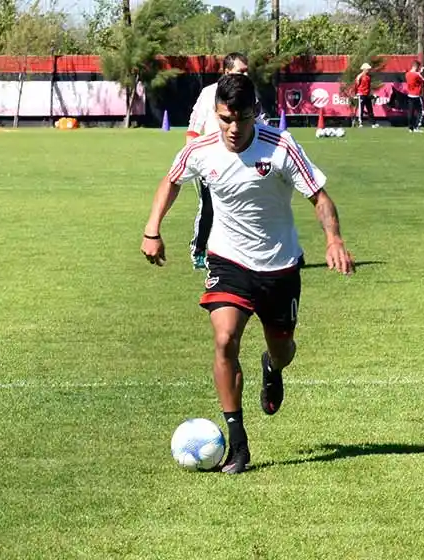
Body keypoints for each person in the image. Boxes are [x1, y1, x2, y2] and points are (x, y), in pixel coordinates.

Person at [141, 73, 356, 474]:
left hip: (280, 267)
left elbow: (319, 196)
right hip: (228, 261)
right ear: (215, 114)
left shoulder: (281, 146)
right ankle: (238, 443)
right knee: (224, 340)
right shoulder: (200, 149)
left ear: (255, 113)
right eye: (224, 119)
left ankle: (272, 368)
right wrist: (152, 229)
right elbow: (170, 183)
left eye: (241, 119)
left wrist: (333, 240)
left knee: (283, 350)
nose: (233, 129)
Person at [185, 52, 265, 270]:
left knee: (248, 205)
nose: (246, 74)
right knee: (209, 207)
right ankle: (199, 249)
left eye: (247, 70)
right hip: (211, 160)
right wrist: (194, 161)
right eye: (241, 70)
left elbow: (260, 124)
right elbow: (194, 128)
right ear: (227, 72)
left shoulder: (250, 93)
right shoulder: (209, 93)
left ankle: (244, 252)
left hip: (243, 159)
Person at [404, 60, 424, 133]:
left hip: (410, 95)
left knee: (410, 112)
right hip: (417, 96)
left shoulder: (407, 74)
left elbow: (415, 76)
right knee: (421, 111)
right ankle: (416, 127)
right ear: (417, 67)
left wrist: (420, 72)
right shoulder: (417, 75)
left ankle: (410, 128)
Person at [355, 63, 379, 128]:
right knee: (361, 109)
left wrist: (372, 94)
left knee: (370, 109)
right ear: (364, 69)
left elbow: (369, 87)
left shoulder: (368, 77)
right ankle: (360, 123)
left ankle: (373, 123)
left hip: (367, 94)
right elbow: (356, 85)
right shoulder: (359, 76)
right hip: (361, 94)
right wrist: (356, 93)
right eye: (368, 69)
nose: (369, 70)